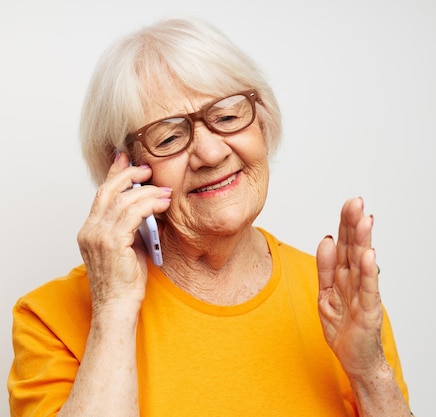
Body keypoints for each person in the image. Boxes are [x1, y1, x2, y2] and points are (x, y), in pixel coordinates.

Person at [8, 18, 411, 416]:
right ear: (124, 174)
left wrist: (369, 371)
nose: (212, 153)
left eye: (227, 117)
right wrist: (113, 309)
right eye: (168, 137)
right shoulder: (50, 319)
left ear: (263, 121)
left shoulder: (341, 299)